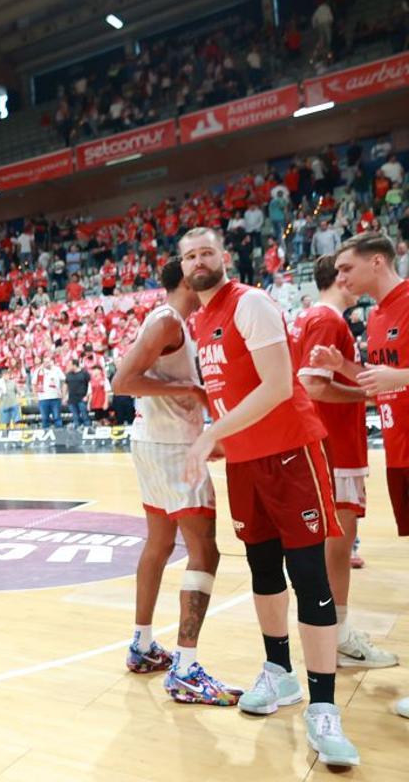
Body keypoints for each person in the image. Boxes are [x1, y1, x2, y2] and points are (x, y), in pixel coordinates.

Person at [179, 226, 358, 766]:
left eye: (206, 252)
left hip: (290, 455)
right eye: (189, 256)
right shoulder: (200, 319)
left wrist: (211, 433)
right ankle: (279, 673)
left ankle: (324, 708)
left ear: (224, 257)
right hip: (245, 463)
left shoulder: (249, 303)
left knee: (308, 576)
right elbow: (233, 391)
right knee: (262, 569)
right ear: (183, 268)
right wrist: (223, 438)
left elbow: (279, 385)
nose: (198, 261)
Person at [111, 260, 240, 704]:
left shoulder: (174, 322)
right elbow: (122, 382)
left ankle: (142, 645)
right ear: (186, 280)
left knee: (160, 544)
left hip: (154, 442)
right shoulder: (167, 320)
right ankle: (185, 669)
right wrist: (190, 391)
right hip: (170, 448)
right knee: (205, 551)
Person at [313, 233, 409, 718]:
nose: (341, 277)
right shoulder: (373, 317)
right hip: (399, 453)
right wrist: (345, 366)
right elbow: (377, 380)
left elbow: (394, 378)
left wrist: (400, 378)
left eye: (347, 268)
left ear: (377, 262)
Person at [291, 254, 397, 670]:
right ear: (339, 277)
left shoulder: (308, 317)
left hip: (325, 444)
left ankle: (332, 632)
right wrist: (367, 394)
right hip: (333, 445)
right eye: (349, 270)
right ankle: (337, 636)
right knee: (339, 541)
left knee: (333, 541)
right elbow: (313, 386)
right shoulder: (328, 320)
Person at [36, 355, 65, 429]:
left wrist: (61, 391)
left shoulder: (57, 369)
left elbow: (63, 380)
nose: (47, 363)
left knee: (57, 417)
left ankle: (59, 432)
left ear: (52, 362)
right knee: (45, 418)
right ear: (43, 363)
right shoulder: (38, 371)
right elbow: (33, 383)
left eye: (48, 362)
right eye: (45, 362)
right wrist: (36, 396)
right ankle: (46, 432)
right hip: (43, 398)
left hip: (55, 397)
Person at [64, 359, 91, 428]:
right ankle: (76, 429)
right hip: (71, 399)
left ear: (74, 365)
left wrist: (87, 396)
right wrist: (65, 396)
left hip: (82, 398)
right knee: (75, 417)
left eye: (69, 365)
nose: (68, 366)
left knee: (85, 416)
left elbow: (90, 385)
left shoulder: (84, 373)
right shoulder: (68, 374)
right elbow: (66, 385)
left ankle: (87, 428)